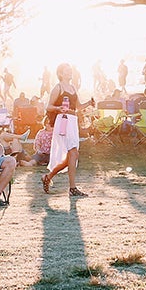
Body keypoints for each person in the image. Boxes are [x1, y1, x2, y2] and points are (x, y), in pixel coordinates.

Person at [41, 63, 87, 197]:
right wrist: (58, 108)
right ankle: (72, 188)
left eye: (70, 70)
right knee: (72, 152)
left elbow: (78, 107)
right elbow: (48, 106)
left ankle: (48, 177)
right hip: (63, 120)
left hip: (73, 121)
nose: (70, 73)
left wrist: (89, 103)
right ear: (60, 73)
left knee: (73, 155)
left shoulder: (73, 87)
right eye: (67, 71)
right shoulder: (58, 87)